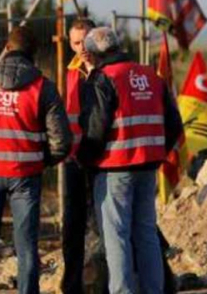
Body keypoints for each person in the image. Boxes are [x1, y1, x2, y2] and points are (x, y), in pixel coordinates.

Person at [0, 27, 72, 294]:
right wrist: (42, 161)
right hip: (26, 175)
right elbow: (62, 141)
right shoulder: (44, 87)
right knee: (27, 243)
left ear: (7, 48)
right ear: (34, 54)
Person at [78, 27, 183, 294]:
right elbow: (174, 125)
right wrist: (156, 152)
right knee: (146, 233)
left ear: (92, 53)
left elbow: (95, 129)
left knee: (117, 238)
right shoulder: (151, 76)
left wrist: (85, 160)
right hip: (148, 167)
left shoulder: (103, 78)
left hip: (115, 169)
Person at [62, 17, 95, 294]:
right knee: (73, 225)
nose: (81, 47)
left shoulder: (108, 70)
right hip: (74, 160)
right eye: (76, 42)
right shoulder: (69, 73)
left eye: (86, 40)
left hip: (103, 161)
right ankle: (72, 284)